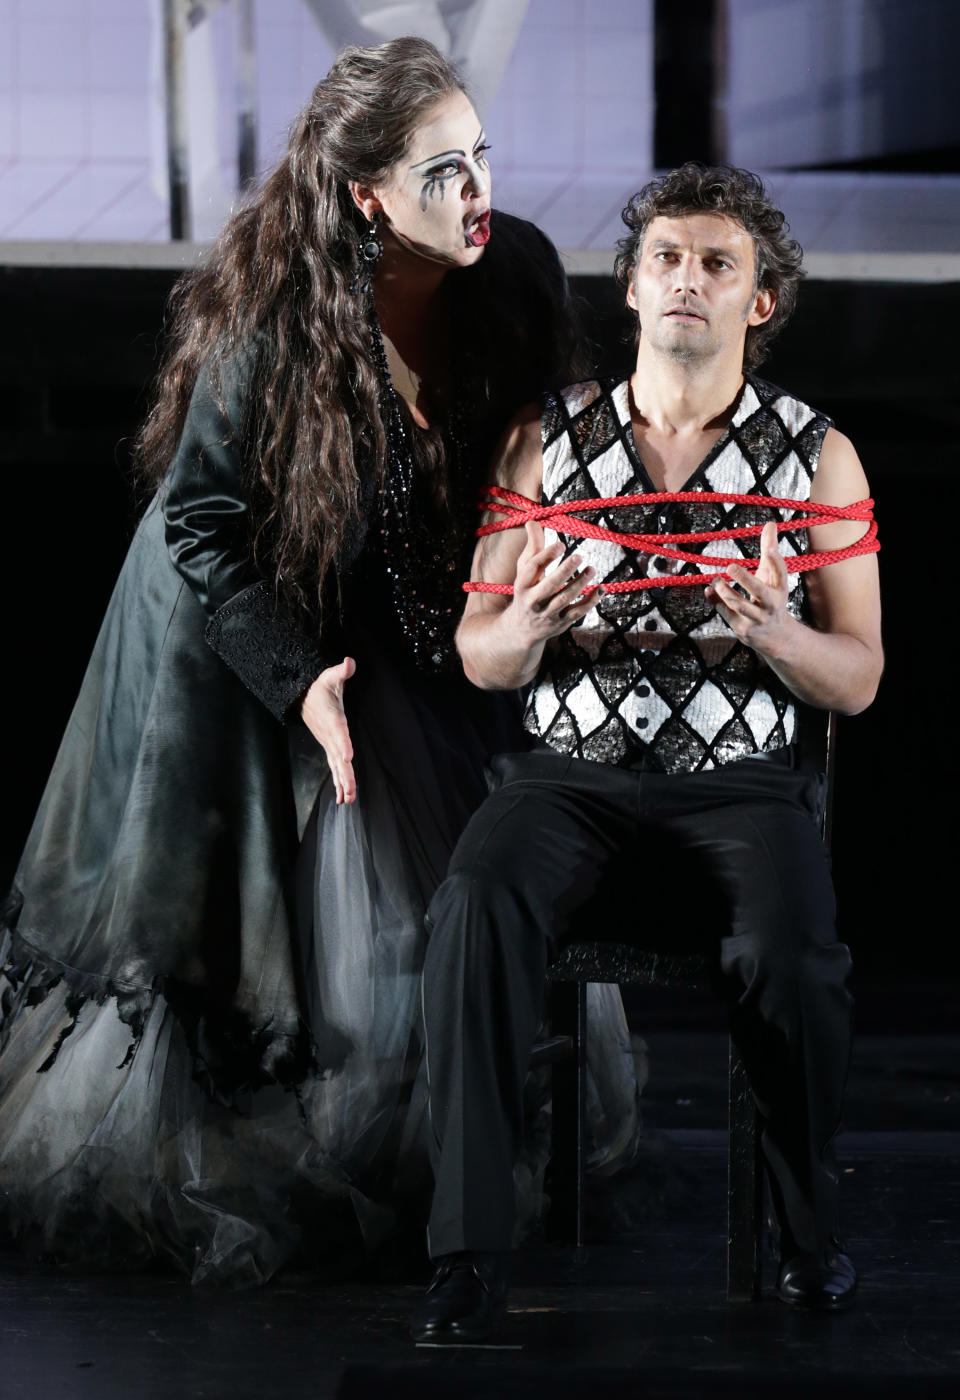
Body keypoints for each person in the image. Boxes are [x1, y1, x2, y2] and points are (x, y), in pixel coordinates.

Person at [0, 37, 640, 1286]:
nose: (478, 192)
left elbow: (553, 459)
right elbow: (198, 524)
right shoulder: (279, 320)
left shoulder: (512, 275)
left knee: (453, 854)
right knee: (243, 926)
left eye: (482, 158)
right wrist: (297, 678)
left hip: (401, 615)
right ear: (365, 194)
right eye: (442, 171)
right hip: (236, 613)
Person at [412, 162, 883, 1341]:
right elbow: (479, 649)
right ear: (629, 285)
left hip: (742, 786)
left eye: (717, 263)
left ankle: (810, 1232)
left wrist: (780, 632)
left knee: (796, 953)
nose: (687, 279)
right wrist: (523, 626)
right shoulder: (546, 437)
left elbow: (862, 675)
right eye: (666, 258)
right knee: (473, 896)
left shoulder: (816, 455)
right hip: (571, 774)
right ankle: (468, 1250)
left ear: (757, 301)